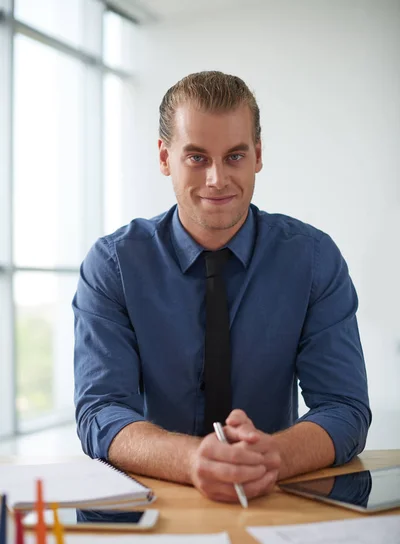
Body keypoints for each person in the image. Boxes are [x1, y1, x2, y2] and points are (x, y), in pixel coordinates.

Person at [73, 71, 371, 504]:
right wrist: (192, 459)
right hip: (158, 499)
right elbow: (100, 411)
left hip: (272, 498)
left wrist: (275, 455)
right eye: (196, 157)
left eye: (234, 156)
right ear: (164, 157)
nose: (217, 178)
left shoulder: (313, 259)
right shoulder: (113, 265)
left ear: (258, 156)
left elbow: (346, 408)